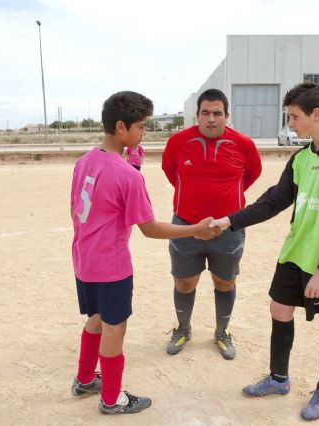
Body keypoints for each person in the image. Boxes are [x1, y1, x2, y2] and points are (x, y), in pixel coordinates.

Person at [209, 83, 319, 421]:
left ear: (317, 114)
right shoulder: (301, 158)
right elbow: (274, 201)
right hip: (294, 254)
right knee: (279, 310)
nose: (291, 124)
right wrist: (230, 220)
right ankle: (279, 378)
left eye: (295, 117)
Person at [70, 91, 220, 415]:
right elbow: (149, 228)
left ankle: (84, 379)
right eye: (140, 127)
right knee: (115, 327)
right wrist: (195, 229)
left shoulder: (85, 161)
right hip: (111, 266)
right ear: (121, 126)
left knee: (95, 318)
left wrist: (130, 162)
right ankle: (111, 399)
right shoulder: (126, 176)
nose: (144, 133)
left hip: (84, 260)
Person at [161, 88, 262, 360]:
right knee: (184, 282)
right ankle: (183, 329)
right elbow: (171, 171)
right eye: (205, 113)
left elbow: (252, 174)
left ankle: (221, 332)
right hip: (185, 226)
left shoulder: (244, 144)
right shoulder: (178, 142)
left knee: (224, 282)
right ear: (197, 115)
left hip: (228, 229)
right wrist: (194, 203)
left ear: (227, 116)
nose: (211, 119)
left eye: (217, 113)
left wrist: (225, 207)